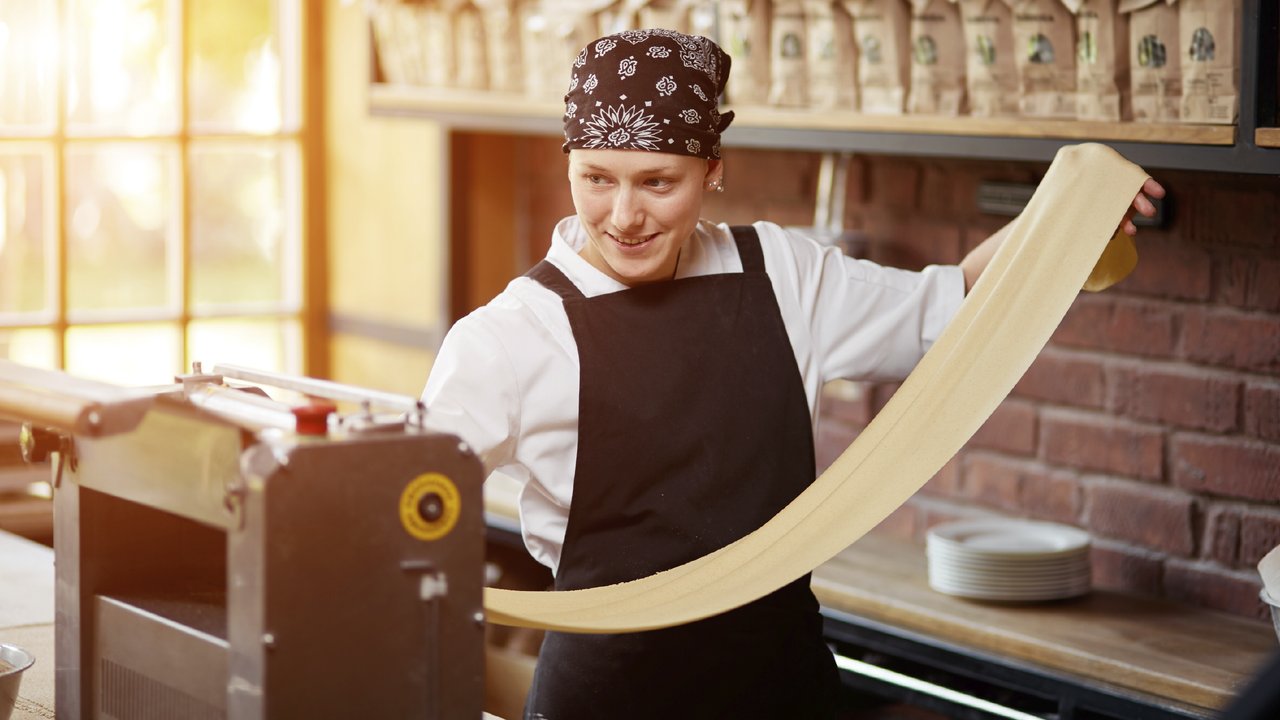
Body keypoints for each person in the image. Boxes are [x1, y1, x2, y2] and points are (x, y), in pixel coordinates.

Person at [421, 28, 1166, 720]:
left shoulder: (780, 272)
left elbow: (956, 305)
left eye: (657, 182)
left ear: (712, 170)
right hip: (613, 695)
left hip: (780, 684)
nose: (622, 216)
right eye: (596, 178)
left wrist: (1069, 215)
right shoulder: (507, 339)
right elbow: (408, 509)